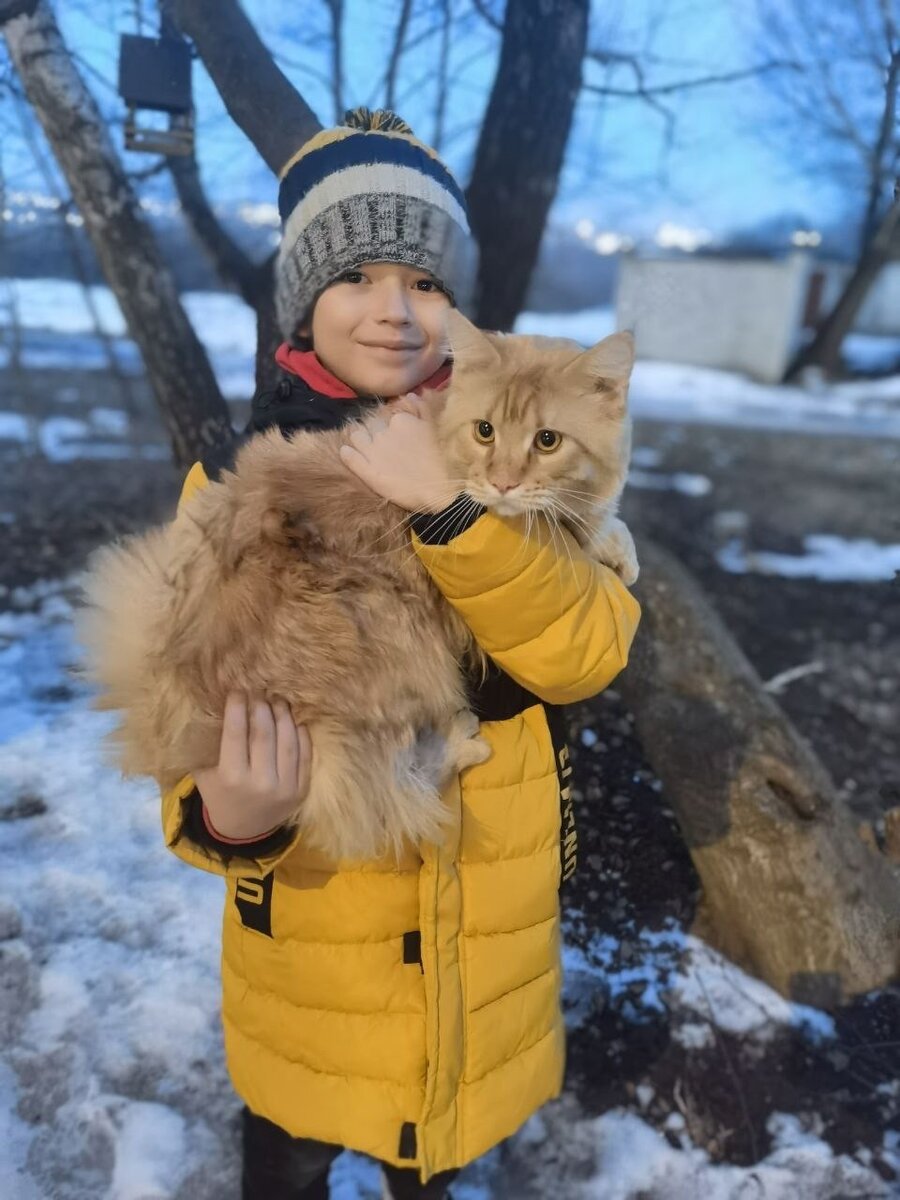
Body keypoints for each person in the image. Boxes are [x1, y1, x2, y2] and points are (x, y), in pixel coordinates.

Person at [160, 108, 641, 1200]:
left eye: (425, 281)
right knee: (286, 1149)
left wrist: (449, 518)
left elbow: (587, 650)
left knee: (436, 1164)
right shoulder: (230, 491)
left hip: (482, 958)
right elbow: (173, 741)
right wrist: (225, 816)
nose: (393, 309)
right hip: (315, 963)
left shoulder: (514, 455)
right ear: (302, 300)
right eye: (357, 276)